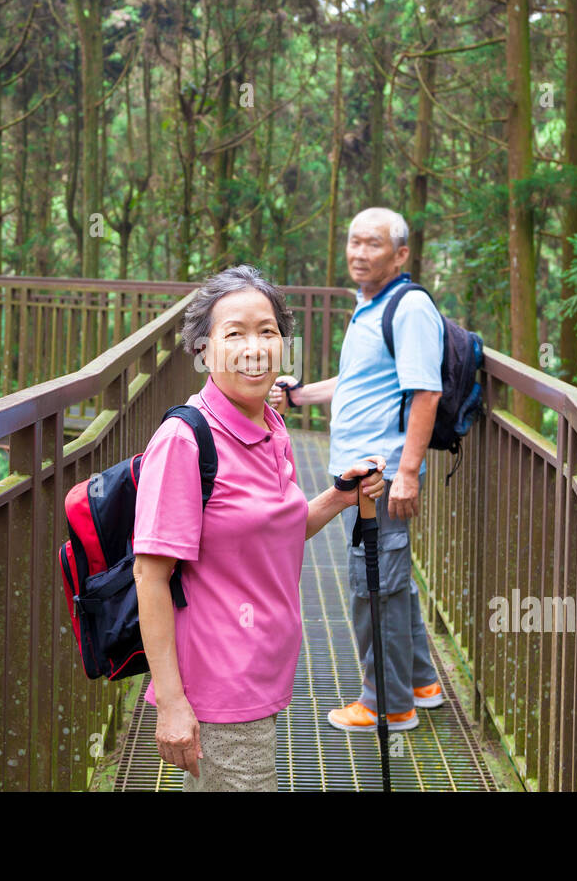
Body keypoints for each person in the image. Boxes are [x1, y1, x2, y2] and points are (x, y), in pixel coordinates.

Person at [133, 264, 387, 791]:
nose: (254, 347)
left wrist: (340, 497)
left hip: (266, 671)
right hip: (220, 685)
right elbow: (150, 575)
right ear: (204, 349)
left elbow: (279, 528)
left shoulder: (271, 425)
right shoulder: (184, 441)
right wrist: (173, 704)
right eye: (235, 334)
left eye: (267, 331)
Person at [269, 207, 445, 733]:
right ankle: (420, 683)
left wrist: (408, 472)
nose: (359, 253)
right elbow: (355, 382)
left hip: (381, 476)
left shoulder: (409, 308)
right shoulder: (371, 306)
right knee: (393, 580)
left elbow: (426, 392)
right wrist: (299, 396)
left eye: (373, 244)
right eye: (353, 242)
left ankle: (387, 705)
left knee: (375, 586)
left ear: (400, 254)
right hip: (363, 474)